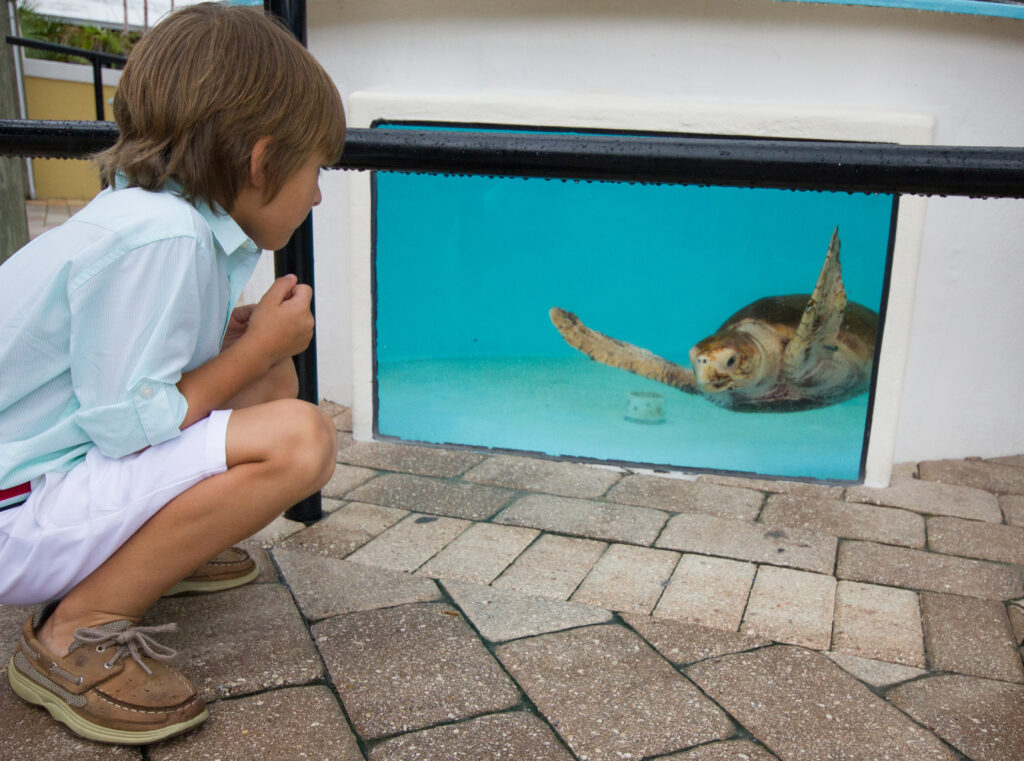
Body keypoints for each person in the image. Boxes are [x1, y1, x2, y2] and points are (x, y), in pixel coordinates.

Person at [0, 2, 344, 744]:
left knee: (273, 386)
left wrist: (235, 345)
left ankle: (158, 551)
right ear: (261, 161)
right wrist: (249, 351)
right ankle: (75, 633)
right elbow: (127, 424)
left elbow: (117, 376)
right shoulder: (163, 239)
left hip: (40, 473)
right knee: (299, 438)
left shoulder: (152, 218)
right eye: (317, 169)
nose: (318, 194)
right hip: (15, 509)